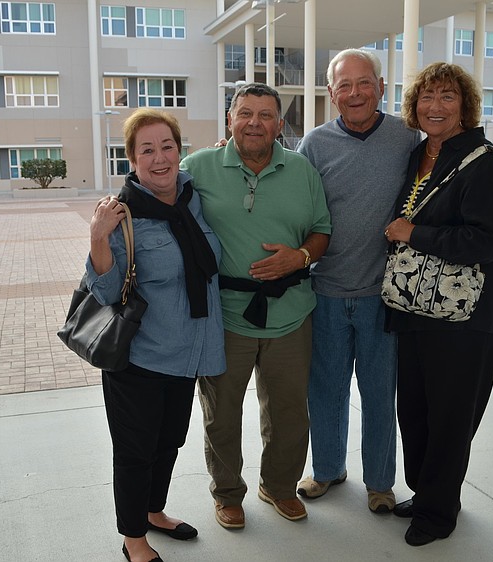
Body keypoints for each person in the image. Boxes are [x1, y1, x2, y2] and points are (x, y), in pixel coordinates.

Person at [180, 83, 332, 529]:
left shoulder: (302, 170)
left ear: (279, 125)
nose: (254, 123)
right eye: (245, 113)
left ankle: (279, 487)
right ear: (230, 119)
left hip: (291, 313)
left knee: (289, 412)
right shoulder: (198, 167)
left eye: (266, 115)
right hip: (224, 316)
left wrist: (299, 257)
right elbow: (159, 197)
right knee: (222, 414)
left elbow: (322, 230)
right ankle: (228, 494)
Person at [383, 62, 493, 546]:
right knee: (416, 411)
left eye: (447, 97)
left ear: (465, 106)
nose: (435, 107)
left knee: (451, 418)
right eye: (426, 97)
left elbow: (490, 240)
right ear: (414, 105)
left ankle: (438, 513)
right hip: (415, 307)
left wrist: (414, 233)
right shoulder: (419, 155)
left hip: (467, 316)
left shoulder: (482, 163)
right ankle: (427, 493)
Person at [86, 108, 226, 562]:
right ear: (132, 159)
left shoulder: (192, 198)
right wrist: (98, 238)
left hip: (186, 354)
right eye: (147, 150)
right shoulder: (121, 215)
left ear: (180, 150)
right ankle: (133, 539)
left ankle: (153, 511)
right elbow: (106, 291)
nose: (160, 157)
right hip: (140, 359)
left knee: (169, 442)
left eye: (167, 146)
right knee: (135, 451)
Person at [295, 48, 420, 513]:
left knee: (379, 395)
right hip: (326, 291)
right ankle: (327, 469)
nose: (355, 93)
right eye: (344, 85)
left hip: (382, 296)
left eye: (364, 82)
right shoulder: (314, 144)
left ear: (382, 87)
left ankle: (381, 484)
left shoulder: (408, 138)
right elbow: (294, 203)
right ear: (331, 93)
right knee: (325, 390)